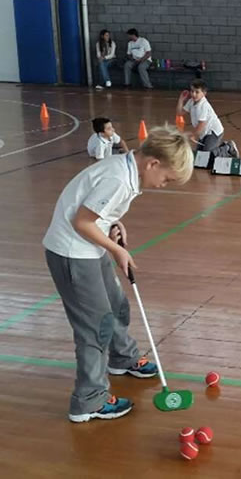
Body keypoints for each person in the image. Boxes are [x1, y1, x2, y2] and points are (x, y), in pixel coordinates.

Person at [43, 125, 193, 423]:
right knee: (94, 327)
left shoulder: (128, 169)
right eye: (166, 179)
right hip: (72, 253)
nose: (164, 185)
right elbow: (83, 222)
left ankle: (123, 357)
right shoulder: (118, 179)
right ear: (153, 163)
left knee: (116, 304)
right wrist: (116, 249)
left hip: (87, 247)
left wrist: (113, 225)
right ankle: (89, 400)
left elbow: (97, 213)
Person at [176, 79, 238, 158]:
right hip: (204, 133)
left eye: (197, 92)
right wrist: (181, 100)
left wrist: (194, 135)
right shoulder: (191, 102)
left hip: (214, 132)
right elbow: (179, 113)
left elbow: (202, 124)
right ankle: (220, 146)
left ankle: (228, 147)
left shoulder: (203, 106)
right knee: (200, 155)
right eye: (192, 91)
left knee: (208, 156)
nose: (193, 94)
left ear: (204, 93)